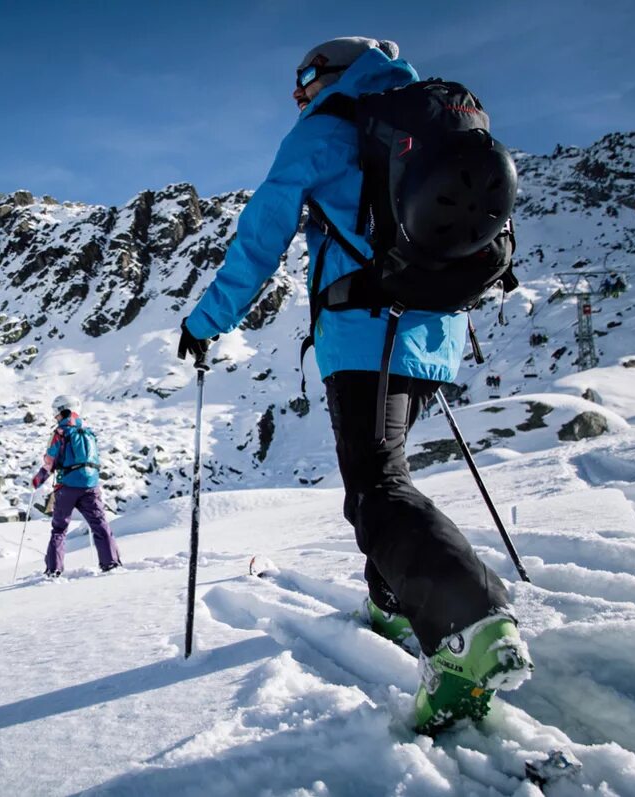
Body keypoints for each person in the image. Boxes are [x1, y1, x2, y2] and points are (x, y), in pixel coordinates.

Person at [176, 36, 532, 734]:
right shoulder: (435, 120)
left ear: (329, 75)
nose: (297, 93)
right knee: (382, 476)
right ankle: (391, 602)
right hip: (434, 337)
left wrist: (205, 320)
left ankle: (470, 625)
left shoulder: (327, 129)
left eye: (304, 77)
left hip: (366, 330)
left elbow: (261, 235)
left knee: (376, 489)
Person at [31, 395, 122, 577]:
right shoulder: (88, 432)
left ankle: (54, 569)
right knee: (100, 524)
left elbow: (50, 461)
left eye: (56, 413)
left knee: (59, 529)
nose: (55, 417)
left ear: (63, 410)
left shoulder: (61, 433)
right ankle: (111, 563)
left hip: (67, 487)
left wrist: (37, 480)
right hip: (90, 485)